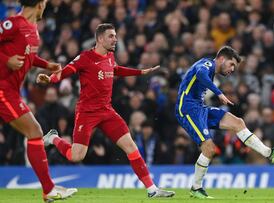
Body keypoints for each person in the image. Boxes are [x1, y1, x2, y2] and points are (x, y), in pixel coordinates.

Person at [36, 23, 175, 198]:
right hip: (87, 113)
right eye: (111, 36)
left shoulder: (110, 56)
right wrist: (50, 79)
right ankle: (53, 138)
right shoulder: (85, 58)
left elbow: (116, 70)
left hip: (107, 111)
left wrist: (140, 72)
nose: (115, 39)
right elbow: (65, 72)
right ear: (100, 39)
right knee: (76, 156)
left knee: (131, 146)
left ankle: (152, 189)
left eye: (115, 36)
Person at [174, 46, 274, 199]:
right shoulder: (207, 65)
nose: (232, 69)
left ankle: (268, 153)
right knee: (209, 149)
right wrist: (219, 93)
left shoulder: (212, 70)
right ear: (221, 59)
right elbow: (200, 74)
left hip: (200, 108)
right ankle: (196, 187)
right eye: (231, 64)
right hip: (187, 109)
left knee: (238, 123)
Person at [0, 0, 77, 202]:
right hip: (2, 90)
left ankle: (48, 189)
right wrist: (5, 60)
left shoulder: (33, 28)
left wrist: (47, 64)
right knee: (35, 132)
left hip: (12, 91)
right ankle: (48, 189)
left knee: (34, 132)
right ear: (40, 4)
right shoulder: (12, 23)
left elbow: (28, 57)